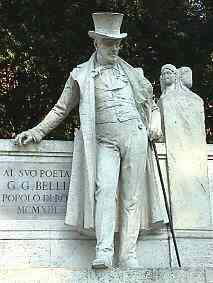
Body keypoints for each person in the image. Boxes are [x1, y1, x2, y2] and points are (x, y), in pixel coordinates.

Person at [15, 13, 166, 269]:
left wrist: (154, 123)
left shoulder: (133, 73)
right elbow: (61, 109)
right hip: (104, 140)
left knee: (132, 198)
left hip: (135, 136)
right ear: (96, 44)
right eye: (109, 43)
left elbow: (151, 105)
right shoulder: (81, 74)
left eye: (118, 43)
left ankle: (128, 255)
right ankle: (104, 251)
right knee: (105, 191)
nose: (115, 48)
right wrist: (38, 131)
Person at [158, 64, 211, 230]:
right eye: (164, 73)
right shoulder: (164, 99)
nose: (167, 75)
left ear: (176, 76)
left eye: (170, 72)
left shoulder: (193, 99)